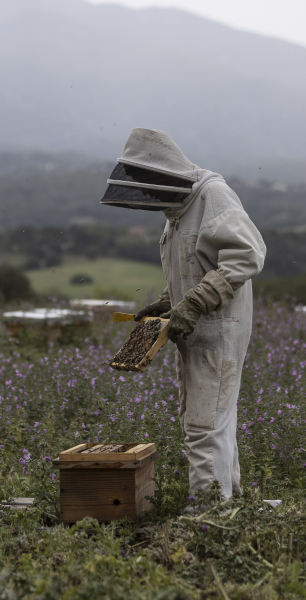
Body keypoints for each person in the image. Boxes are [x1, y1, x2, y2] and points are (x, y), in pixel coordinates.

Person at [100, 128, 266, 502]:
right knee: (211, 421)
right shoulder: (178, 213)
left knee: (205, 425)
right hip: (198, 334)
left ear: (164, 173)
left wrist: (193, 303)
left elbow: (247, 254)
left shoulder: (213, 196)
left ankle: (208, 514)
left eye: (149, 183)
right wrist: (167, 300)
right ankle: (230, 499)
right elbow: (195, 265)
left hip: (217, 332)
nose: (147, 193)